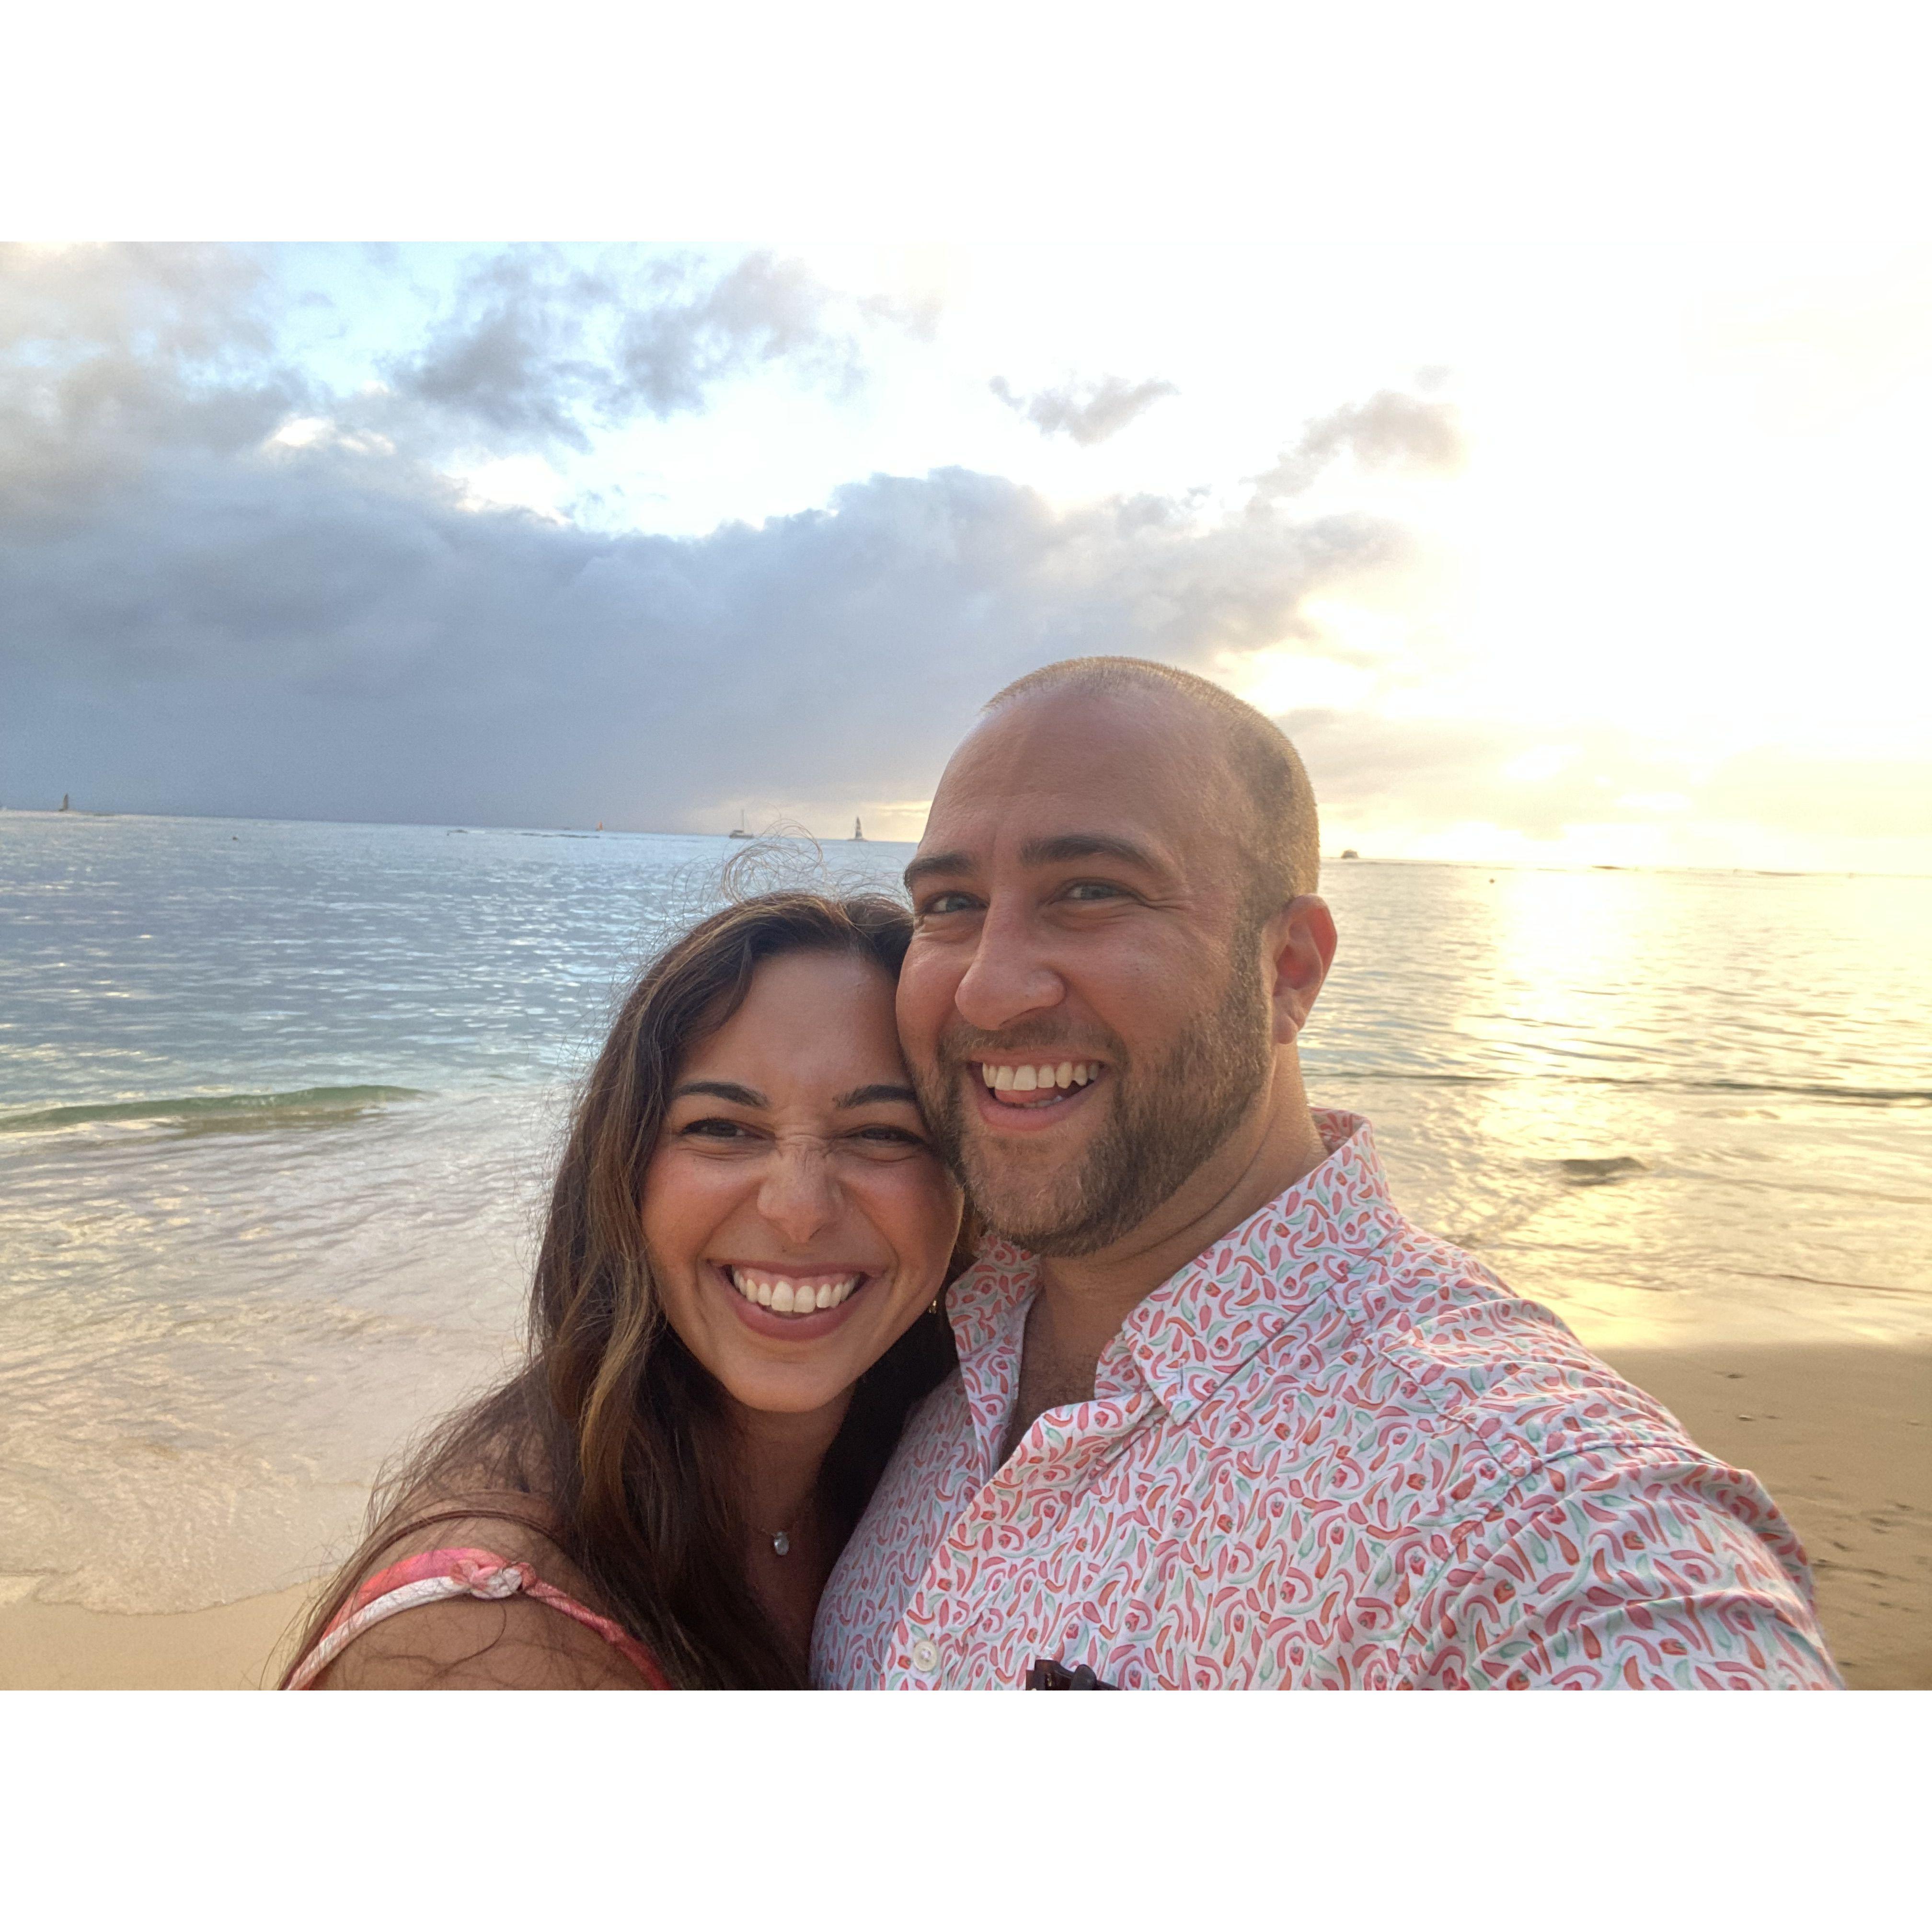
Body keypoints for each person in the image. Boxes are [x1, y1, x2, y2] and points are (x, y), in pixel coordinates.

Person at [813, 657, 1841, 1689]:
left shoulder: (1530, 1518)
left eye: (1091, 892)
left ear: (1290, 970)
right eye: (949, 902)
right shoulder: (916, 1337)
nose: (990, 990)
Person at [282, 890, 964, 1689]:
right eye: (722, 1128)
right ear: (624, 1171)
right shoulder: (487, 1654)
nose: (800, 1212)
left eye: (884, 1134)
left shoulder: (936, 1457)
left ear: (969, 1186)